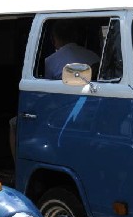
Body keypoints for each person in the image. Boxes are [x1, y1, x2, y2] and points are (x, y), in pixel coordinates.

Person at [10, 19, 100, 159]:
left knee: (14, 123)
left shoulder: (51, 60)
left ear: (54, 38)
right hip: (90, 108)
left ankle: (18, 167)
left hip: (63, 109)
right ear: (76, 36)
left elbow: (49, 91)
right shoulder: (93, 56)